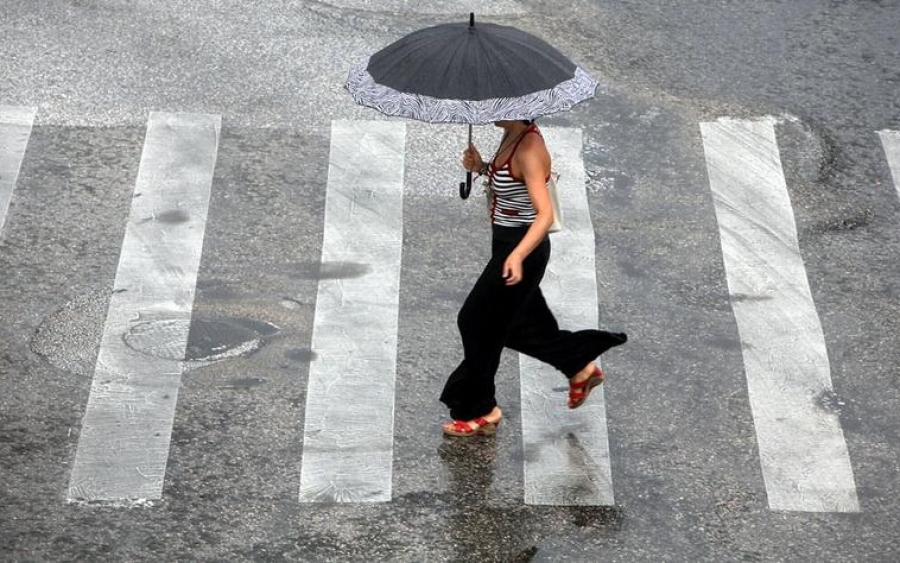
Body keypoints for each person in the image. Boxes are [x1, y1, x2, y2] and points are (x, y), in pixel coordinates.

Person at [440, 119, 628, 437]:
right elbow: (511, 184)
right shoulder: (512, 133)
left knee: (474, 321)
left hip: (522, 251)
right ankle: (579, 366)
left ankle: (480, 409)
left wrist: (516, 255)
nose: (490, 110)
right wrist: (482, 166)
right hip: (507, 245)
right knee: (517, 325)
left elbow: (545, 215)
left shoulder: (529, 150)